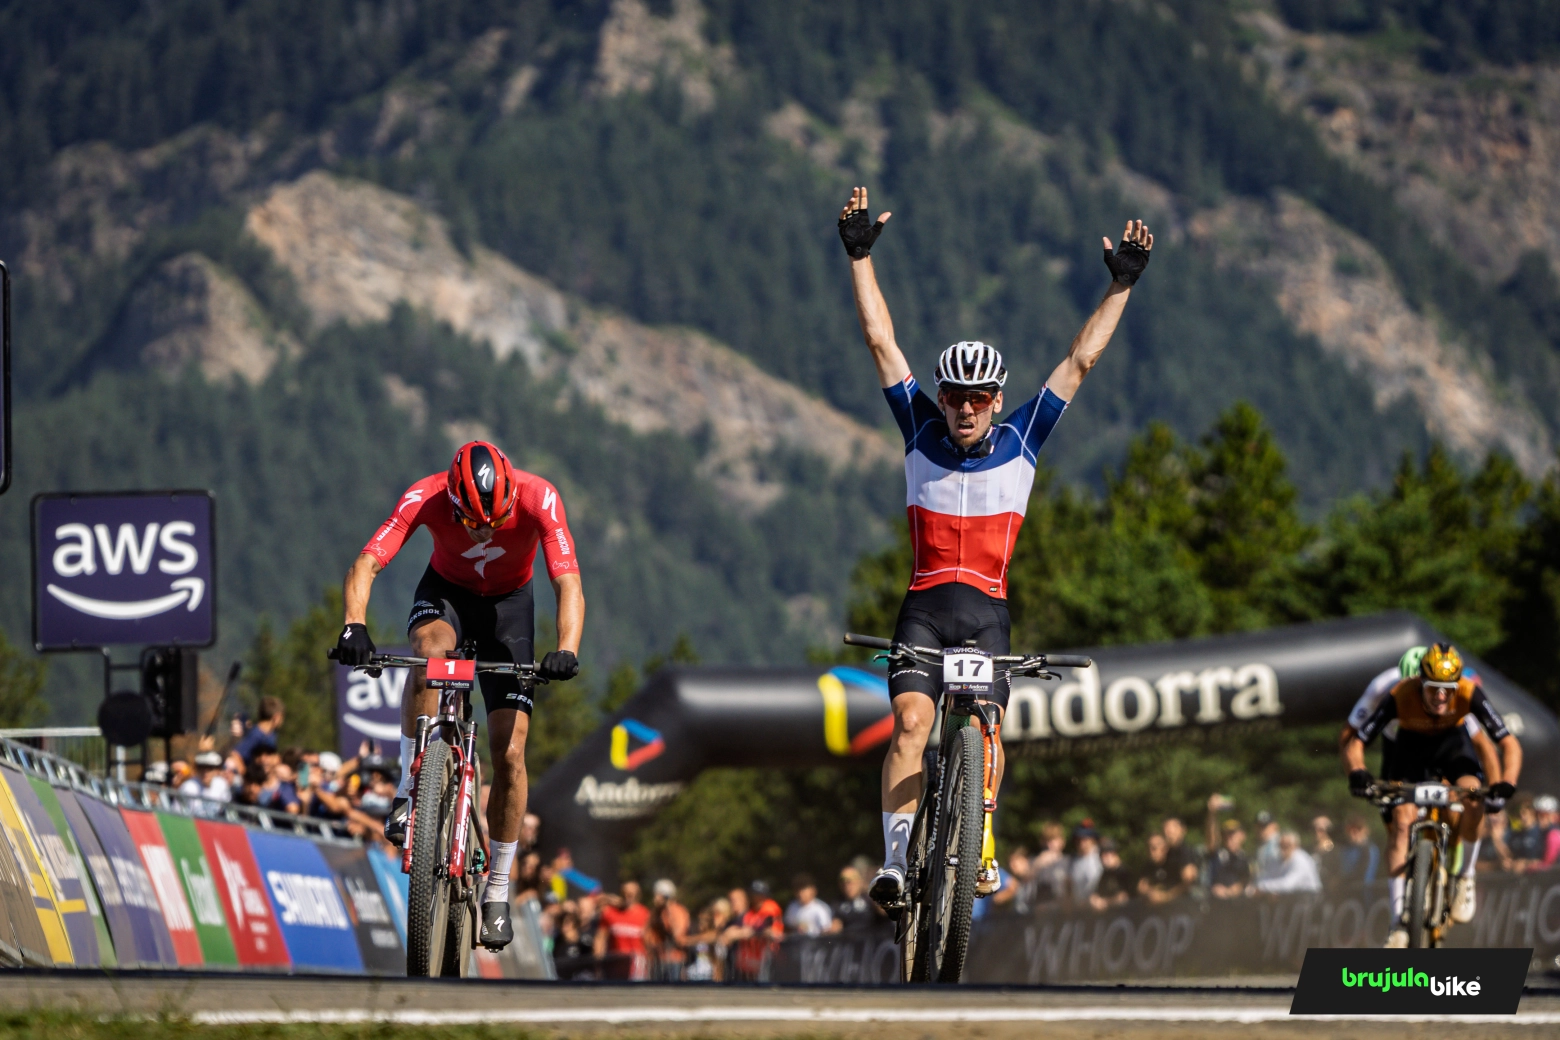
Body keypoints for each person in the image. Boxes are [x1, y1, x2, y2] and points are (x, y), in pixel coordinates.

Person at [840, 186, 1154, 909]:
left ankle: (978, 841)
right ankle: (893, 864)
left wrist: (1121, 284)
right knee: (913, 724)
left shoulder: (1024, 437)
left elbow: (1081, 361)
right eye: (955, 395)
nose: (967, 407)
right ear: (942, 397)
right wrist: (859, 257)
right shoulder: (919, 427)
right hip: (922, 609)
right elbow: (882, 342)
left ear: (997, 397)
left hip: (985, 612)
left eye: (980, 397)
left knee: (984, 724)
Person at [335, 439, 585, 951]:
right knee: (430, 662)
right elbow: (368, 561)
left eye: (496, 520)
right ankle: (410, 792)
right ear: (452, 502)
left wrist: (566, 648)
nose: (486, 530)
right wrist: (352, 626)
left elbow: (567, 582)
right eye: (474, 522)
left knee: (510, 753)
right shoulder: (425, 495)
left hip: (509, 611)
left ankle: (497, 887)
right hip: (445, 596)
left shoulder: (541, 498)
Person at [1343, 642, 1522, 946]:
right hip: (1411, 750)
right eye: (1433, 689)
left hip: (1454, 747)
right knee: (1401, 822)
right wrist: (1358, 772)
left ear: (1457, 685)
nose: (1441, 696)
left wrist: (1506, 782)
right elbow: (1356, 740)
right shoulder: (1400, 695)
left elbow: (1506, 743)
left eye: (1447, 690)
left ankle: (1465, 877)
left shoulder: (1469, 692)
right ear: (1419, 683)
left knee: (1473, 797)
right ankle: (1399, 918)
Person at [595, 879, 651, 981]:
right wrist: (598, 961)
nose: (628, 896)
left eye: (631, 894)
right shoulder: (609, 913)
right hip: (614, 963)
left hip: (636, 965)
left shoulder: (644, 914)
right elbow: (600, 938)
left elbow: (648, 941)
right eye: (625, 893)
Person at [1205, 796, 1251, 899]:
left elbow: (1247, 879)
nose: (1229, 837)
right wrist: (1212, 813)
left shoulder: (1246, 858)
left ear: (1242, 835)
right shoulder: (1218, 853)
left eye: (1233, 833)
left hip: (1239, 905)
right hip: (1217, 904)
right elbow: (1211, 838)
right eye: (1226, 834)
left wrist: (1233, 890)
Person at [647, 879, 690, 981]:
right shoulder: (657, 912)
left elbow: (677, 934)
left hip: (674, 960)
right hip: (659, 959)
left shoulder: (677, 911)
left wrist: (669, 908)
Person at [1253, 831, 1322, 894]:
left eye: (1287, 845)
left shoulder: (1300, 860)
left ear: (1296, 846)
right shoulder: (1279, 858)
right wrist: (1256, 886)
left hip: (1310, 898)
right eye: (1281, 845)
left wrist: (1262, 887)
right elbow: (1268, 875)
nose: (1283, 848)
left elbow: (1288, 885)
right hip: (1293, 898)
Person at [1329, 815, 1381, 891]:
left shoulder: (1368, 849)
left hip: (1361, 890)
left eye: (1358, 829)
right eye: (1350, 829)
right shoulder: (1345, 849)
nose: (1353, 833)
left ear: (1365, 830)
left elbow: (1362, 872)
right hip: (1344, 891)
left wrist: (1340, 880)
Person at [1138, 833, 1191, 904]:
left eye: (1154, 848)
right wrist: (1150, 892)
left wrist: (1166, 896)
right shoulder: (1148, 867)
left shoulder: (1174, 864)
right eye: (1148, 848)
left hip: (1179, 906)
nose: (1150, 852)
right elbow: (1142, 887)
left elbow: (1186, 884)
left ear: (1165, 848)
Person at [235, 697, 286, 763]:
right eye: (282, 718)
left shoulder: (272, 734)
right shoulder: (256, 734)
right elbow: (236, 754)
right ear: (276, 717)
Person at [831, 866, 879, 934]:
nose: (847, 886)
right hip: (848, 941)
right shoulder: (837, 903)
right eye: (843, 882)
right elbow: (835, 924)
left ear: (859, 882)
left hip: (871, 940)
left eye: (851, 882)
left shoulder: (870, 899)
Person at [1090, 839, 1133, 910]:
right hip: (1108, 917)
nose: (1103, 858)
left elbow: (1124, 897)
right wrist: (1094, 900)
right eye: (1101, 855)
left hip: (1125, 916)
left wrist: (1105, 902)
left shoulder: (1124, 872)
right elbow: (1097, 893)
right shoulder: (1105, 873)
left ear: (1115, 854)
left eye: (1107, 854)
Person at [1069, 822, 1103, 905]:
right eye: (1078, 840)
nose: (1081, 843)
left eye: (1085, 839)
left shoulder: (1102, 856)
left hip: (1099, 905)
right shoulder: (1073, 860)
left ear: (1092, 840)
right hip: (1078, 906)